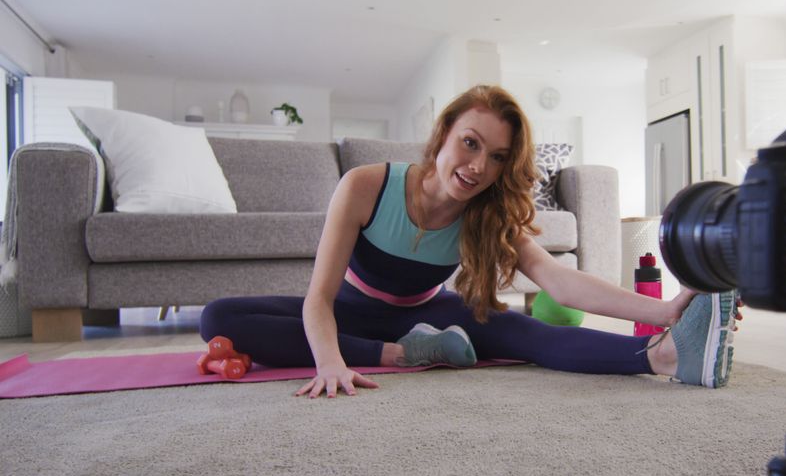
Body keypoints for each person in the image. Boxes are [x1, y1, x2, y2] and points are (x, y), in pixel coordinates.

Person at [200, 85, 740, 399]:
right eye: (470, 143)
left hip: (431, 311)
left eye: (498, 156)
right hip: (349, 316)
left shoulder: (489, 213)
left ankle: (663, 357)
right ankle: (402, 355)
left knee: (524, 330)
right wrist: (330, 362)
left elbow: (560, 283)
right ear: (443, 135)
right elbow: (318, 299)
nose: (479, 166)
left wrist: (667, 308)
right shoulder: (365, 185)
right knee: (218, 318)